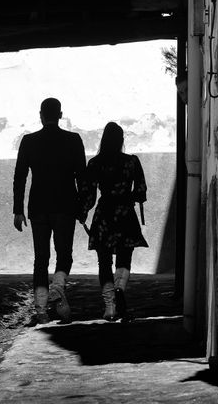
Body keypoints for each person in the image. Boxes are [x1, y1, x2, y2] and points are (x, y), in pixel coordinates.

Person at [13, 98, 86, 324]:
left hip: (38, 207)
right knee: (64, 254)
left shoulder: (29, 141)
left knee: (40, 258)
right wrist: (83, 206)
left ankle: (41, 309)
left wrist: (18, 209)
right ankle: (58, 286)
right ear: (61, 114)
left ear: (41, 115)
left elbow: (20, 177)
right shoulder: (73, 140)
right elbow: (82, 177)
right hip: (65, 206)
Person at [80, 122, 148, 322]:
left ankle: (109, 307)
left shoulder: (95, 163)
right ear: (121, 141)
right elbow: (141, 191)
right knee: (124, 258)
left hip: (104, 215)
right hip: (125, 213)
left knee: (104, 261)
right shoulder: (132, 162)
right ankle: (120, 289)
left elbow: (89, 194)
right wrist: (132, 196)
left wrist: (82, 212)